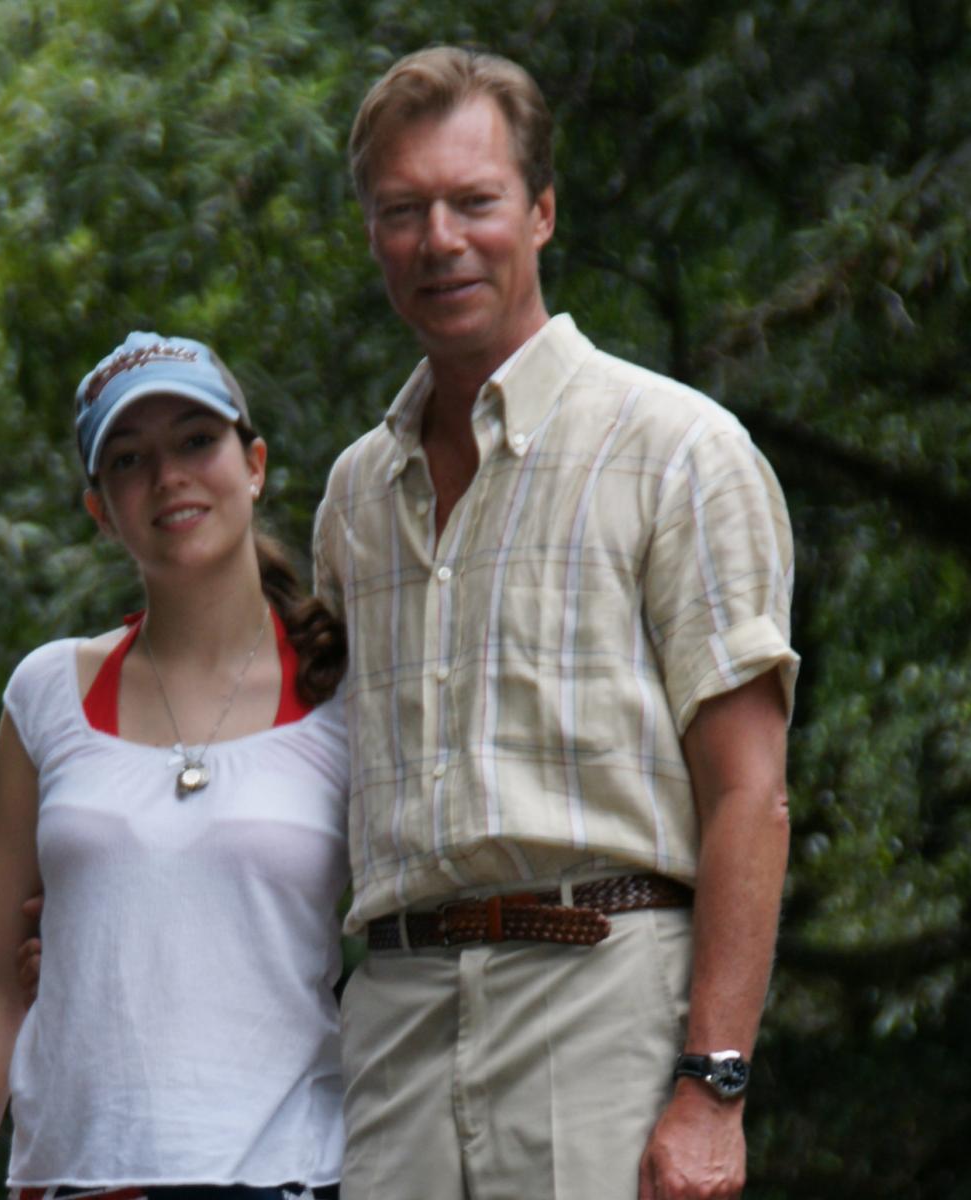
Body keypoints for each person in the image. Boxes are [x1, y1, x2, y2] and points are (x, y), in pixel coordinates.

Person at [311, 47, 799, 1200]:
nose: (440, 240)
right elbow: (310, 783)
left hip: (603, 1006)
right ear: (373, 232)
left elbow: (750, 793)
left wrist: (713, 1084)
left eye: (473, 201)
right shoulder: (350, 500)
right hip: (394, 1028)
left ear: (538, 211)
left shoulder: (677, 450)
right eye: (402, 210)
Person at [0, 333, 349, 1200]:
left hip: (291, 1175)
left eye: (197, 441)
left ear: (255, 463)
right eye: (130, 458)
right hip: (76, 1179)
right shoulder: (46, 693)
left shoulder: (349, 694)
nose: (169, 477)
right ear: (101, 510)